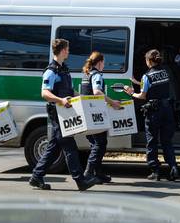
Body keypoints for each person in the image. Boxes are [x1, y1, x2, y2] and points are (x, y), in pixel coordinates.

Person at [29, 39, 100, 191]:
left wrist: (81, 98)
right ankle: (80, 180)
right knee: (69, 146)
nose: (68, 52)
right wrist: (60, 100)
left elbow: (70, 91)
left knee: (54, 148)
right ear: (62, 51)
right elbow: (45, 93)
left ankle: (36, 176)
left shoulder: (64, 69)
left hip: (65, 111)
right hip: (57, 113)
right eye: (67, 49)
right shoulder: (51, 71)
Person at [124, 49, 179, 181]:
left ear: (149, 61)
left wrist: (131, 93)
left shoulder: (147, 76)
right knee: (167, 141)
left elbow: (143, 96)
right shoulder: (164, 72)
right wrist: (138, 82)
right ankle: (173, 167)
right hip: (167, 110)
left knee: (152, 141)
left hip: (154, 112)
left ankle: (155, 171)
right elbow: (154, 86)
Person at [80, 51, 121, 184]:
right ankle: (88, 173)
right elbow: (97, 92)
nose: (104, 65)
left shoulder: (87, 74)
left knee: (95, 144)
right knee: (100, 143)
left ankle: (98, 174)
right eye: (104, 62)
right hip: (94, 115)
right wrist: (113, 103)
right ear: (100, 62)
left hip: (87, 113)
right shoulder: (97, 75)